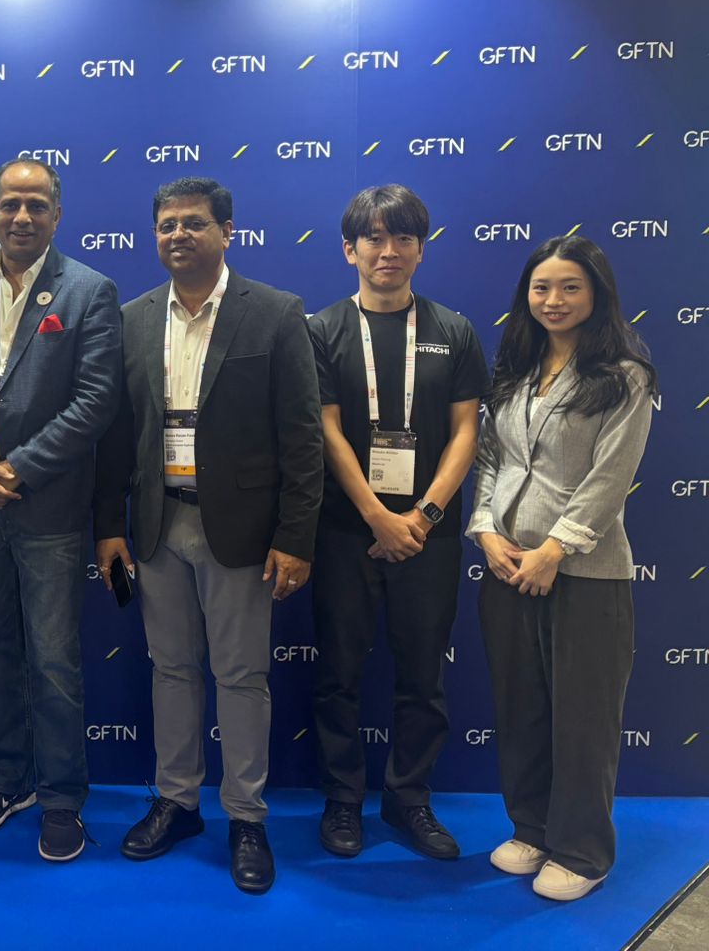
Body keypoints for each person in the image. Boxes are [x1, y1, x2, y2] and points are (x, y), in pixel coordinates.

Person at [94, 177, 321, 895]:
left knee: (242, 675)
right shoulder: (132, 319)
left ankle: (246, 817)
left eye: (194, 223)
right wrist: (108, 527)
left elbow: (303, 438)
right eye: (166, 225)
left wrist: (296, 536)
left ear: (227, 232)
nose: (178, 235)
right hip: (158, 524)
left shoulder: (276, 313)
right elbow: (115, 436)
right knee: (171, 669)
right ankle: (178, 802)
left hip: (242, 531)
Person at [0, 158, 121, 863]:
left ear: (57, 216)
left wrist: (19, 468)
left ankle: (62, 795)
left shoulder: (89, 289)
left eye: (37, 205)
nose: (23, 216)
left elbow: (96, 400)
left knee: (56, 659)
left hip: (47, 506)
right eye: (11, 203)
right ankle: (6, 778)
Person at [468, 235, 656, 902]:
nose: (554, 300)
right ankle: (533, 828)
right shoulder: (516, 370)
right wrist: (485, 530)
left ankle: (582, 850)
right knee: (521, 710)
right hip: (507, 569)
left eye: (570, 287)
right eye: (542, 287)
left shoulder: (624, 376)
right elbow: (491, 459)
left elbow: (611, 476)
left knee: (583, 719)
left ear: (596, 294)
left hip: (585, 575)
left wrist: (555, 549)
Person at [306, 186, 488, 861]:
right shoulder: (322, 330)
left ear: (421, 249)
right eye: (375, 239)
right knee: (338, 673)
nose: (389, 251)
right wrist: (378, 517)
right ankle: (342, 799)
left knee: (422, 675)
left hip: (427, 537)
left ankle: (409, 798)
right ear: (349, 249)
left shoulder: (454, 330)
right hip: (346, 531)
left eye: (404, 238)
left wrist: (422, 516)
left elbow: (467, 431)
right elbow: (326, 431)